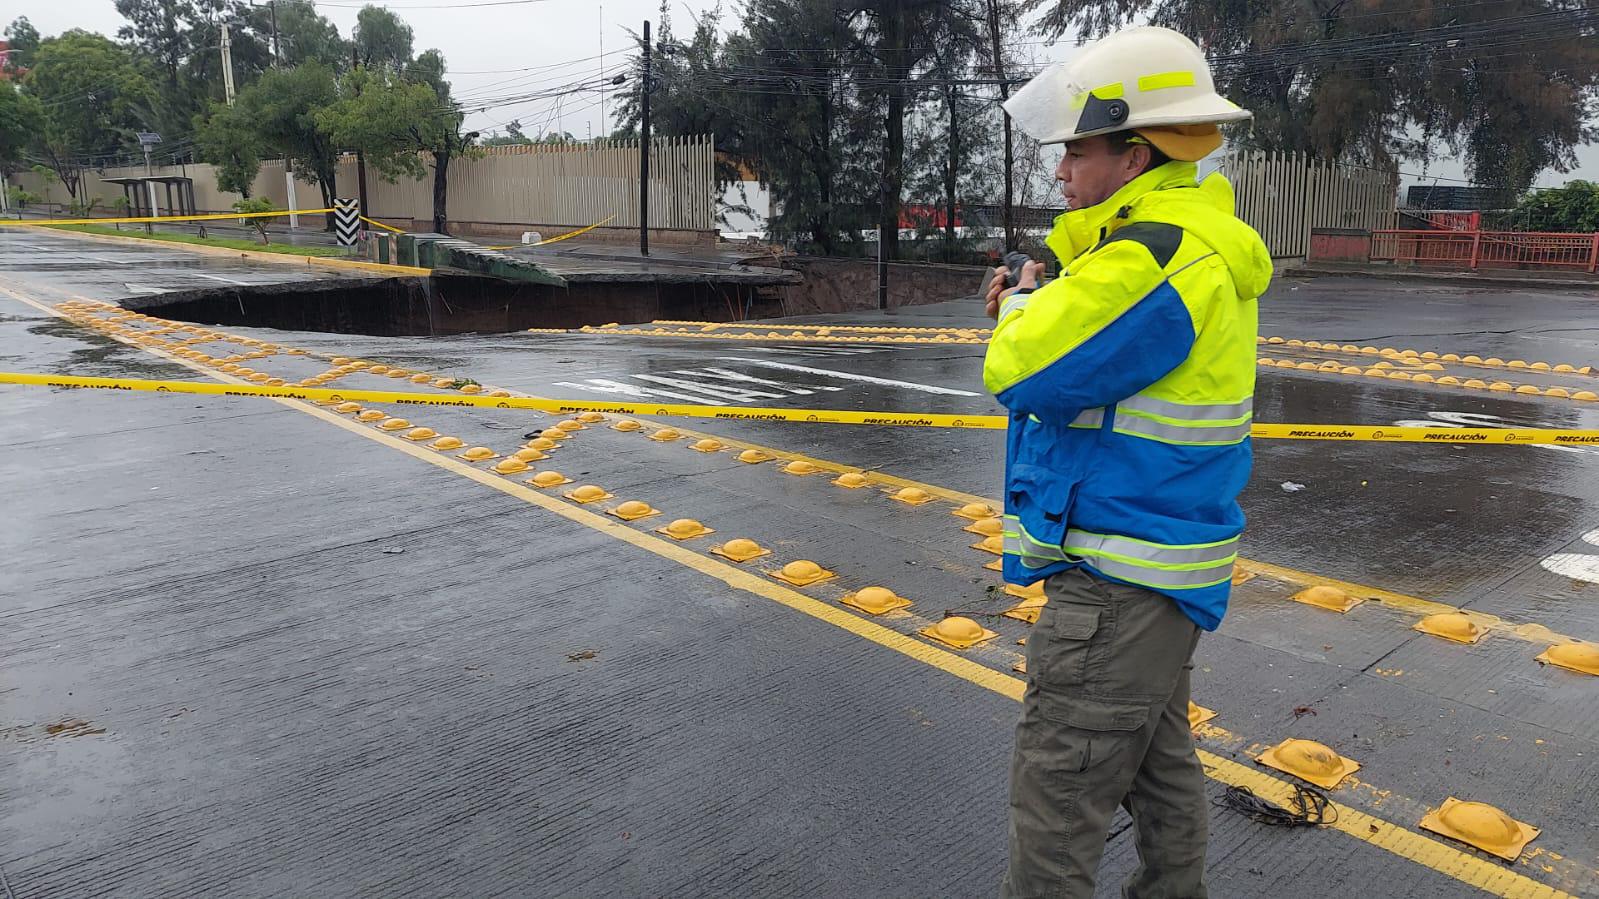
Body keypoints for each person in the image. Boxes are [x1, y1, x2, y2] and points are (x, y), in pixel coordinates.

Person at [981, 25, 1273, 899]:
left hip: (1114, 576)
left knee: (1057, 801)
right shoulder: (1184, 241)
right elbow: (1101, 263)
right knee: (1160, 768)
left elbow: (1021, 369)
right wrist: (1049, 263)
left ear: (1134, 151)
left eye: (1076, 147)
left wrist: (1020, 307)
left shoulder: (1153, 262)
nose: (1061, 170)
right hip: (1159, 569)